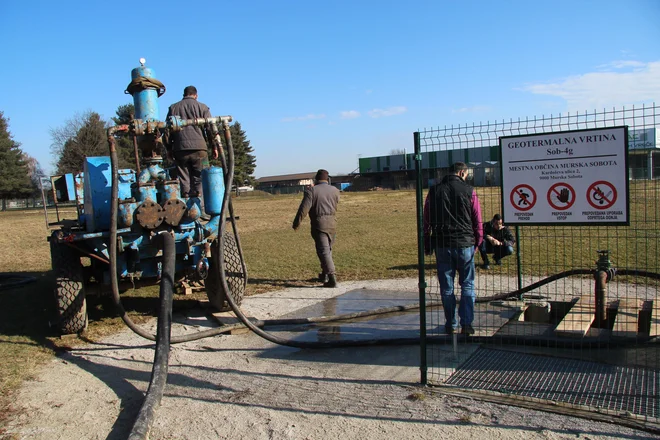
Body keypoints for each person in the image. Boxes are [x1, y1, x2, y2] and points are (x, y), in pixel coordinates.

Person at [423, 162, 483, 335]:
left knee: (447, 288)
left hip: (442, 244)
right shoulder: (469, 190)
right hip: (465, 243)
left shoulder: (434, 191)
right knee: (468, 285)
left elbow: (426, 219)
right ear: (462, 173)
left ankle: (451, 323)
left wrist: (428, 242)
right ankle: (467, 324)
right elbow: (477, 218)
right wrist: (478, 241)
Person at [165, 86, 218, 218]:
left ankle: (186, 211)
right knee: (200, 178)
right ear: (196, 95)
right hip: (200, 148)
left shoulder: (173, 108)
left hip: (180, 148)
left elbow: (167, 130)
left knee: (184, 179)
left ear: (184, 94)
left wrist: (169, 149)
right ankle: (201, 210)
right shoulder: (203, 107)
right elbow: (211, 128)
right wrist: (215, 147)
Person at [292, 169, 340, 287]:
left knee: (323, 251)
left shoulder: (311, 191)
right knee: (327, 250)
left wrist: (296, 223)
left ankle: (332, 277)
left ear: (316, 179)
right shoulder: (335, 190)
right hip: (332, 223)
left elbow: (304, 208)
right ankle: (324, 275)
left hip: (319, 224)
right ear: (327, 179)